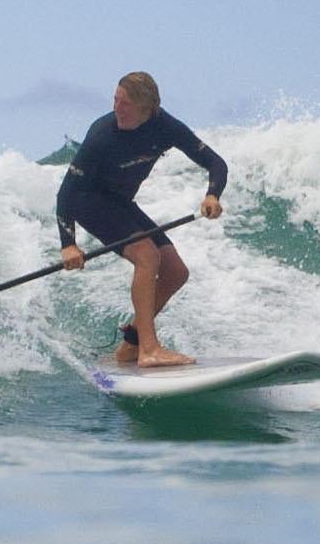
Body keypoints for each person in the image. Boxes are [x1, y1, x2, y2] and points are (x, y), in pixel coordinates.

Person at [55, 71, 228, 368]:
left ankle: (129, 348)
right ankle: (149, 349)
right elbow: (66, 194)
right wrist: (68, 244)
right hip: (88, 201)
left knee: (176, 272)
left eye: (125, 104)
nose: (117, 109)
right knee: (147, 256)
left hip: (120, 203)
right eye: (115, 100)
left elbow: (216, 163)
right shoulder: (102, 136)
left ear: (147, 110)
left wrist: (213, 195)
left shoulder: (165, 127)